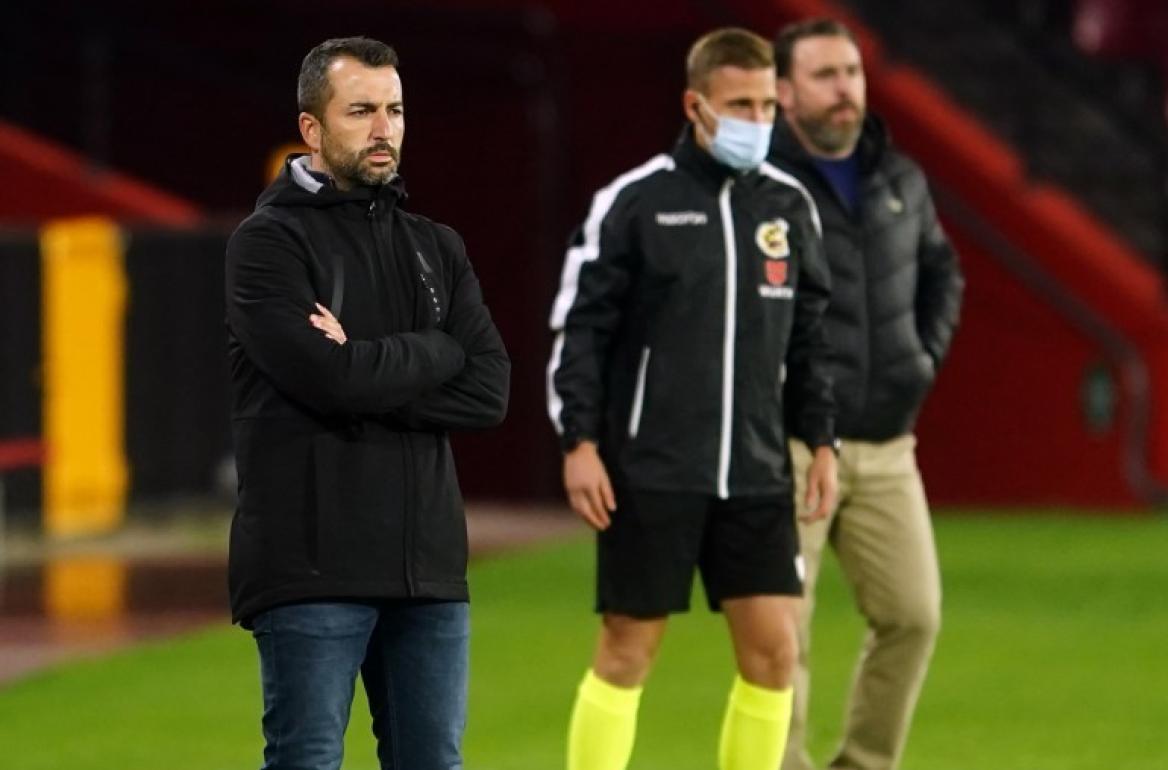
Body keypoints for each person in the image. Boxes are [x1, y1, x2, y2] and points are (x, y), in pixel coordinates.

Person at [546, 27, 839, 770]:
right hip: (652, 468)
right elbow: (579, 332)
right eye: (740, 102)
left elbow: (808, 344)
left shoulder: (790, 207)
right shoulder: (635, 202)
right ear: (695, 105)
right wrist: (579, 442)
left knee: (774, 653)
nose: (758, 118)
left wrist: (823, 443)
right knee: (626, 647)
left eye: (768, 103)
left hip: (755, 472)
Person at [224, 36, 509, 770]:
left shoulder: (436, 245)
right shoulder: (266, 245)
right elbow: (329, 381)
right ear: (312, 129)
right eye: (361, 111)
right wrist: (432, 350)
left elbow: (487, 389)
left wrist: (367, 362)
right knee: (308, 760)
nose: (384, 129)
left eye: (395, 110)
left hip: (428, 569)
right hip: (311, 565)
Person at [767, 19, 965, 770]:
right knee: (782, 628)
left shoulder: (899, 179)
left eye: (851, 71)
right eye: (825, 75)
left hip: (885, 441)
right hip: (789, 443)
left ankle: (863, 764)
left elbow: (944, 272)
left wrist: (920, 358)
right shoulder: (763, 188)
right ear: (785, 92)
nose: (846, 87)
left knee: (914, 616)